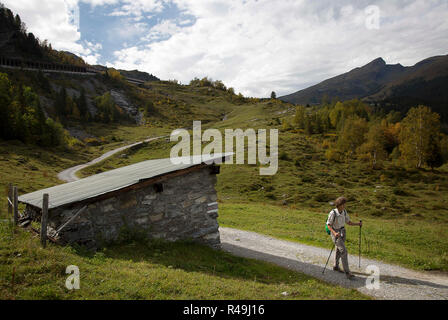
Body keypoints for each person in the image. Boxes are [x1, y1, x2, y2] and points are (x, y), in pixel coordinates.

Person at [326, 196, 362, 280]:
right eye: (343, 204)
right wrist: (334, 233)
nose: (345, 206)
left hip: (343, 232)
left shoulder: (344, 212)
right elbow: (328, 225)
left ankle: (336, 266)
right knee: (344, 251)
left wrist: (358, 224)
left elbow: (348, 222)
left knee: (339, 249)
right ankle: (347, 272)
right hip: (335, 233)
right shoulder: (333, 213)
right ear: (339, 204)